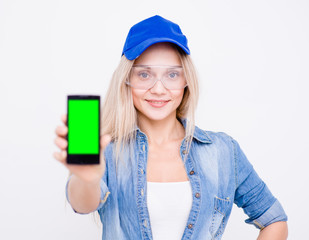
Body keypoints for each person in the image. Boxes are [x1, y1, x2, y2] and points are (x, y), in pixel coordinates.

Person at [53, 15, 288, 240]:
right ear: (127, 80)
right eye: (144, 74)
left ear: (186, 81)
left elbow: (274, 220)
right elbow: (83, 205)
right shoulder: (107, 150)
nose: (158, 88)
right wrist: (87, 179)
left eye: (172, 75)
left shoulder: (223, 151)